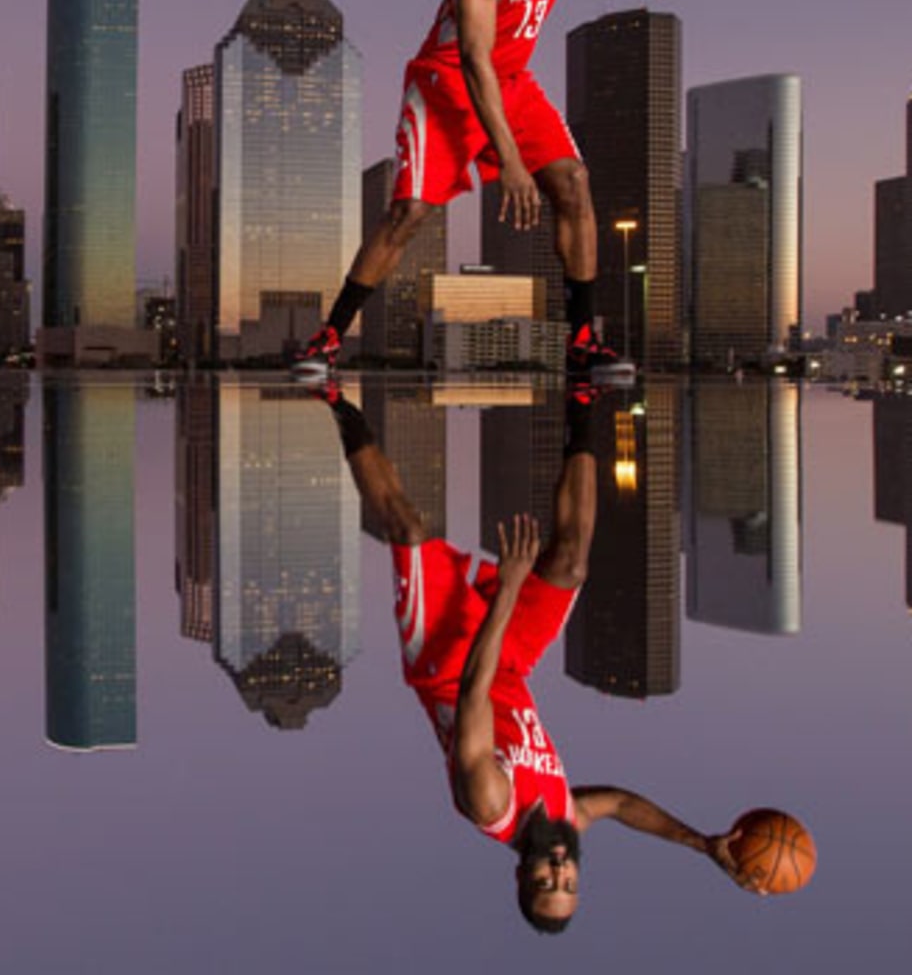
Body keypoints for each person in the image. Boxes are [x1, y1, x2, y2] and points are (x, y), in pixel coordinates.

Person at [293, 0, 762, 381]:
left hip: (511, 80)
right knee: (408, 213)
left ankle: (583, 342)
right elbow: (471, 56)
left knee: (574, 183)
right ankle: (327, 337)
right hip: (447, 83)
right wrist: (510, 161)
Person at [318, 382, 767, 932]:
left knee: (407, 529)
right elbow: (621, 805)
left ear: (520, 876)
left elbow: (472, 694)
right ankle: (583, 395)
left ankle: (335, 399)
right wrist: (701, 843)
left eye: (544, 883)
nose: (560, 869)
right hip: (508, 660)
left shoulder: (490, 804)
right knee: (571, 564)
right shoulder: (561, 816)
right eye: (570, 883)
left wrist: (507, 590)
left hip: (446, 663)